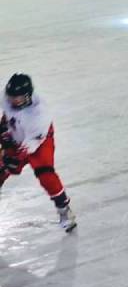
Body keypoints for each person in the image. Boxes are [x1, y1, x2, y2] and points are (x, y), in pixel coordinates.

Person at [0, 74, 76, 233]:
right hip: (16, 132)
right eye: (11, 97)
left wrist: (13, 158)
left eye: (18, 98)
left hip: (38, 141)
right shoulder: (8, 97)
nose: (13, 101)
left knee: (45, 172)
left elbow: (30, 145)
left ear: (28, 96)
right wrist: (5, 132)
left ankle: (64, 210)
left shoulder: (39, 114)